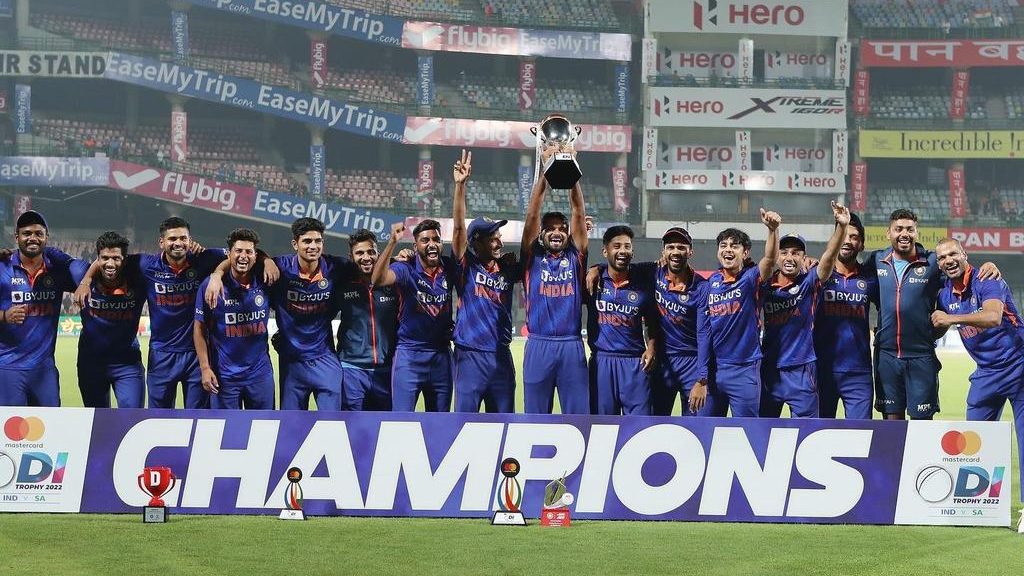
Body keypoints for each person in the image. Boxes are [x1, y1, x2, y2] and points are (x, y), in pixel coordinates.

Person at [74, 216, 277, 409]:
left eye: (183, 238)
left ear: (190, 240)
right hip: (161, 354)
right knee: (159, 417)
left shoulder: (204, 259)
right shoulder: (146, 265)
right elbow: (111, 258)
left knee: (198, 417)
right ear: (161, 242)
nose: (178, 243)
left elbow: (241, 254)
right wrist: (87, 279)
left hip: (195, 355)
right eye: (172, 239)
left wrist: (227, 271)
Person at [864, 209, 999, 420]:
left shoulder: (933, 262)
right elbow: (850, 274)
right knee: (891, 424)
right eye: (898, 229)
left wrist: (988, 266)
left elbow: (963, 274)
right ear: (888, 233)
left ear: (917, 232)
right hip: (886, 356)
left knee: (922, 425)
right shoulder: (876, 260)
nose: (904, 234)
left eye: (910, 229)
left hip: (921, 356)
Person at [204, 217, 345, 411]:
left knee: (332, 422)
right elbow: (243, 257)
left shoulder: (336, 267)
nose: (313, 246)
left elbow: (367, 269)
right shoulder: (280, 268)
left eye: (317, 241)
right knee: (289, 425)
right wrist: (217, 275)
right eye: (307, 241)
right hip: (291, 363)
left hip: (324, 358)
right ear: (295, 244)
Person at [932, 238, 1024, 498]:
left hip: (1018, 365)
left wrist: (951, 319)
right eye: (942, 257)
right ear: (938, 264)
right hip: (986, 372)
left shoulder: (987, 279)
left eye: (953, 254)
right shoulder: (944, 293)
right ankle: (979, 502)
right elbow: (936, 328)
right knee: (973, 440)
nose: (948, 260)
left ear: (964, 254)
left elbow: (993, 317)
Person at [759, 201, 849, 418]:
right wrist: (772, 230)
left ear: (804, 257)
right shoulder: (765, 284)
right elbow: (766, 261)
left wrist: (841, 226)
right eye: (784, 252)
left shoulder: (809, 283)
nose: (789, 258)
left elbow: (829, 257)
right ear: (777, 256)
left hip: (802, 369)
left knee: (806, 430)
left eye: (796, 253)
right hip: (769, 368)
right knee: (763, 430)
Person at [450, 149, 520, 413]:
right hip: (470, 355)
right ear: (476, 242)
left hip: (501, 355)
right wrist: (460, 186)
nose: (499, 242)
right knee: (464, 424)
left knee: (504, 425)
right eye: (492, 238)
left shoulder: (507, 268)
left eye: (499, 236)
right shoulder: (465, 266)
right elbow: (458, 229)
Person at [520, 165, 590, 414]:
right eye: (550, 228)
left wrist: (571, 168)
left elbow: (578, 212)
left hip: (571, 345)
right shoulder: (532, 257)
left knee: (578, 418)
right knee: (535, 417)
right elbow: (532, 215)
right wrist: (545, 172)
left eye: (562, 228)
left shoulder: (576, 256)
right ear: (541, 234)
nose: (557, 232)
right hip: (538, 344)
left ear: (569, 234)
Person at [0, 211, 87, 406]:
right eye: (27, 233)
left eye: (38, 233)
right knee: (12, 425)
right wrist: (4, 315)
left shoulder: (57, 269)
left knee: (51, 423)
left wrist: (84, 280)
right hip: (8, 367)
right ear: (16, 237)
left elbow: (94, 275)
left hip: (44, 370)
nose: (33, 238)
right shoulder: (2, 267)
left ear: (47, 237)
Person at [372, 219, 456, 412]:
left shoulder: (449, 267)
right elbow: (378, 279)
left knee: (440, 422)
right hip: (409, 355)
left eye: (436, 239)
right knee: (402, 422)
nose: (432, 244)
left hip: (441, 356)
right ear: (415, 246)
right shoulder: (406, 268)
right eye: (425, 240)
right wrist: (392, 242)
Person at [704, 209, 781, 417]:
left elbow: (770, 259)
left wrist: (773, 230)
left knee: (746, 429)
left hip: (744, 369)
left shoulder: (750, 278)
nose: (728, 250)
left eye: (734, 246)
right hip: (714, 369)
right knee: (706, 429)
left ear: (745, 253)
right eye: (723, 245)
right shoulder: (711, 282)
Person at [193, 228, 274, 410]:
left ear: (255, 256)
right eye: (238, 251)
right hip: (225, 377)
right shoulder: (211, 286)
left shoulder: (266, 280)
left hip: (260, 376)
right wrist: (205, 368)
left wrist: (268, 260)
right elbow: (199, 329)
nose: (243, 256)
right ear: (229, 254)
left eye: (249, 252)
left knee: (264, 426)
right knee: (227, 428)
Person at [586, 225, 657, 415]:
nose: (623, 251)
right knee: (602, 426)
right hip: (602, 362)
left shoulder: (643, 284)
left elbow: (652, 322)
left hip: (635, 363)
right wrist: (596, 268)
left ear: (632, 251)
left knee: (640, 426)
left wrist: (652, 346)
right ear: (605, 251)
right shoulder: (594, 281)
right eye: (617, 246)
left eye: (627, 246)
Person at [815, 212, 878, 419]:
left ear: (861, 245)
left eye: (854, 237)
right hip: (822, 368)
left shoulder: (870, 278)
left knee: (861, 433)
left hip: (858, 372)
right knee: (819, 432)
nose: (848, 241)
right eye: (843, 235)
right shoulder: (817, 274)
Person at [77, 231, 147, 409]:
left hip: (127, 363)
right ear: (97, 259)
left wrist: (215, 273)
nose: (110, 264)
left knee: (132, 418)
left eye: (116, 258)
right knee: (97, 420)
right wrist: (86, 280)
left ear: (125, 259)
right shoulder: (79, 273)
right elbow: (48, 258)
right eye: (105, 258)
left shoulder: (138, 276)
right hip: (91, 363)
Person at [335, 229, 399, 411]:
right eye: (360, 253)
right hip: (351, 369)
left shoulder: (394, 282)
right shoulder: (342, 283)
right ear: (351, 256)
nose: (366, 257)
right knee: (352, 424)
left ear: (378, 253)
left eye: (371, 252)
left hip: (387, 370)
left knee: (385, 425)